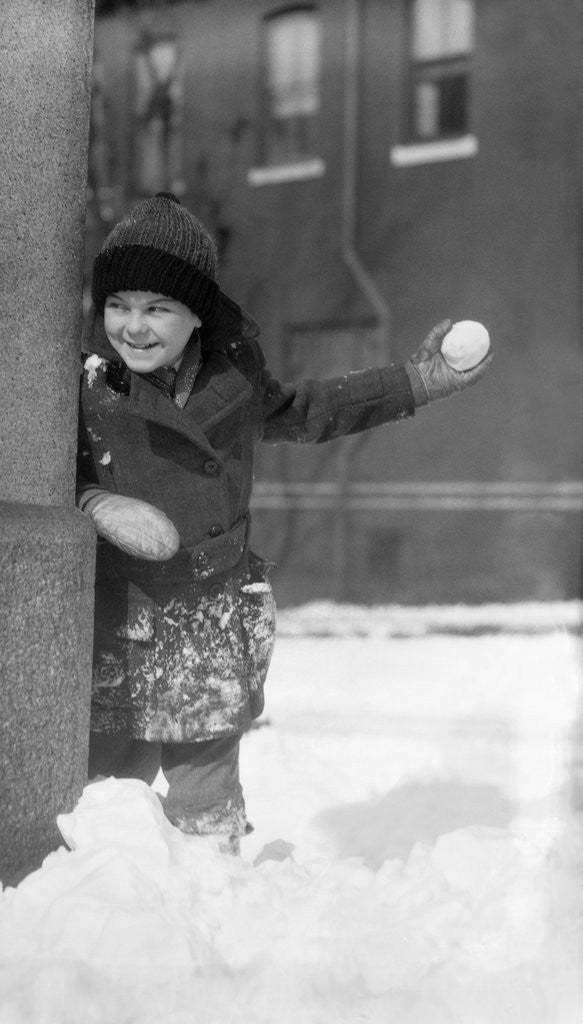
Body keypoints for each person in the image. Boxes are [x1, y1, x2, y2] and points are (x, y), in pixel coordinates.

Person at [76, 192, 490, 852]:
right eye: (119, 305)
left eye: (157, 308)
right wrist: (92, 502)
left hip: (209, 620)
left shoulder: (233, 381)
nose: (134, 326)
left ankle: (214, 889)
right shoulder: (88, 387)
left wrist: (415, 382)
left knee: (206, 813)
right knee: (102, 804)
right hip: (120, 621)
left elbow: (308, 410)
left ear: (196, 314)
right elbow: (33, 472)